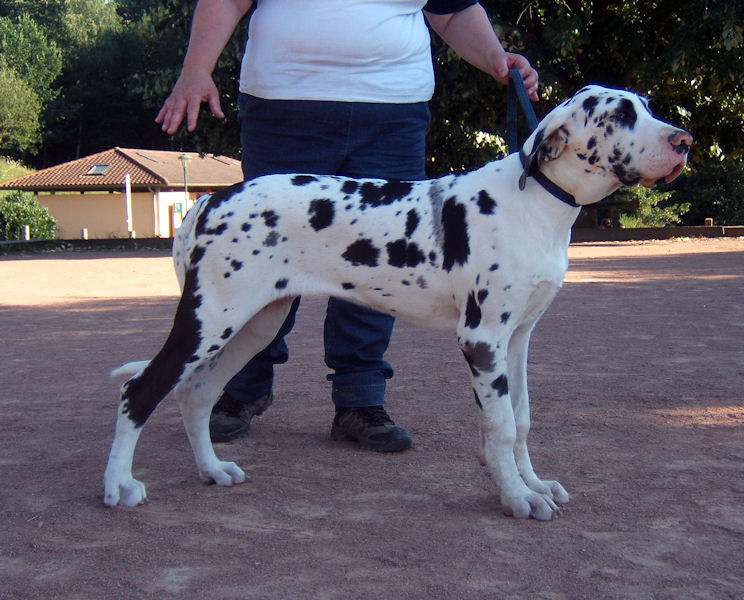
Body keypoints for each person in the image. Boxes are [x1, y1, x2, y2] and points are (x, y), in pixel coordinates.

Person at [156, 0, 539, 453]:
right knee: (263, 261)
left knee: (386, 266)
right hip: (286, 108)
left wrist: (495, 56)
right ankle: (238, 389)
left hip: (393, 113)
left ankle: (361, 399)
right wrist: (197, 67)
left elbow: (451, 10)